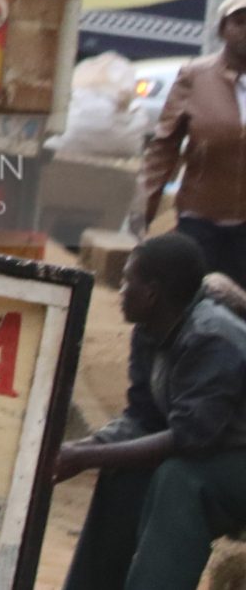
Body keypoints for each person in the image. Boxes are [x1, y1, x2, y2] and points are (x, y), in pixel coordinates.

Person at [53, 232, 246, 590]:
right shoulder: (150, 330)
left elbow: (191, 439)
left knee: (181, 479)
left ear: (152, 293)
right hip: (219, 453)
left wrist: (86, 456)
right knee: (123, 472)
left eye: (128, 280)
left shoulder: (212, 338)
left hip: (232, 460)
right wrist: (84, 449)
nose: (120, 290)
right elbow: (142, 417)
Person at [131, 0, 246, 281]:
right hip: (199, 220)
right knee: (191, 300)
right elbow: (164, 145)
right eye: (240, 21)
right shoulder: (195, 77)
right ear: (223, 29)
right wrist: (144, 207)